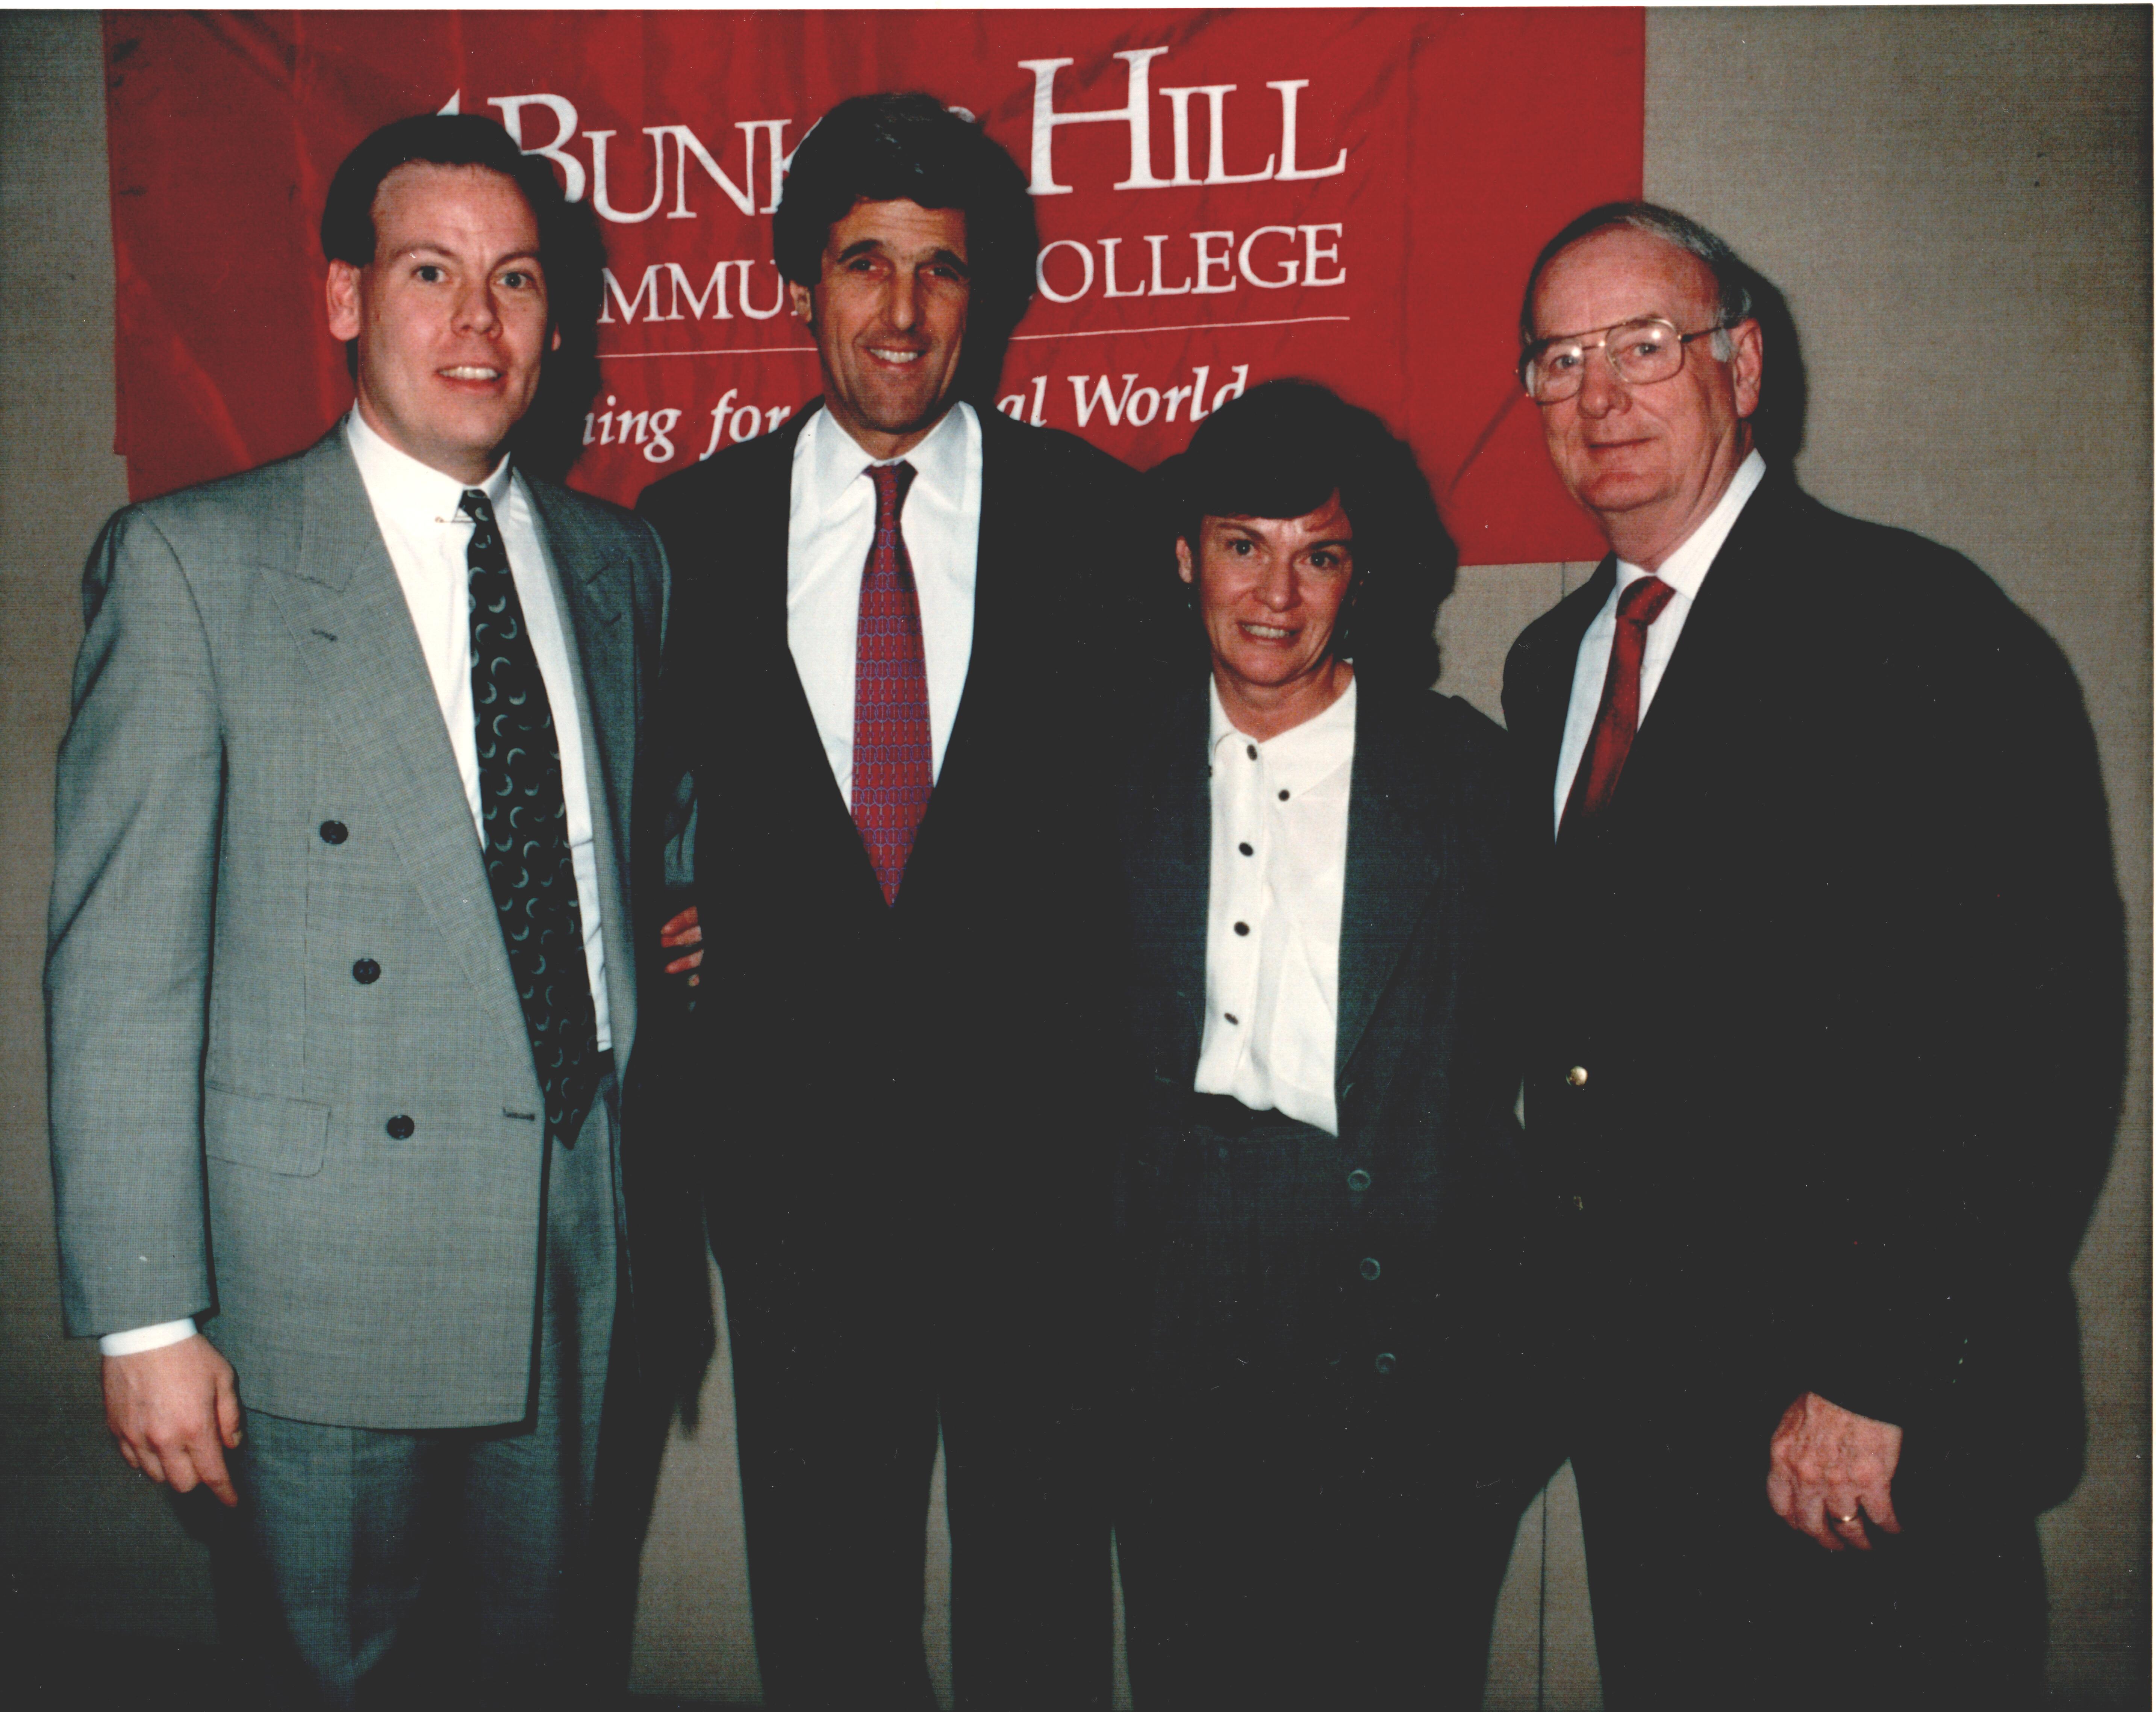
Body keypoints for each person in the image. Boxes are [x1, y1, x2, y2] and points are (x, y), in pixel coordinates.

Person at [44, 113, 673, 1707]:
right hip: (321, 1277)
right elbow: (118, 971)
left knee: (548, 1669)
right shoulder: (195, 566)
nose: (480, 322)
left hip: (574, 1242)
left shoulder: (620, 565)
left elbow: (625, 848)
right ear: (344, 299)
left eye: (516, 278)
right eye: (430, 272)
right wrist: (144, 1314)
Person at [1501, 202, 2126, 1710]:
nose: (1600, 395)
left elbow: (2035, 1030)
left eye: (1646, 345)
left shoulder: (1916, 625)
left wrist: (1884, 1368)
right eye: (1561, 359)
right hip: (1646, 1409)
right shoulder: (1552, 663)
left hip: (1849, 1428)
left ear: (1743, 364)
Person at [633, 92, 1149, 1709]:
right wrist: (666, 921)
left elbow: (1157, 823)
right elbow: (623, 810)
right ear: (802, 281)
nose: (904, 310)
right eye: (866, 262)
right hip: (793, 1173)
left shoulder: (1100, 519)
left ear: (986, 293)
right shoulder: (684, 535)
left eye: (942, 268)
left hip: (1041, 1176)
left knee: (1040, 1598)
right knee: (826, 1600)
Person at [1112, 380, 1555, 1710]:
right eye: (1243, 544)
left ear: (1364, 576)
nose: (1275, 593)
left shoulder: (1470, 782)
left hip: (1397, 1319)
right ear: (1185, 556)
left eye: (1320, 555)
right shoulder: (1105, 774)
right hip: (1174, 1318)